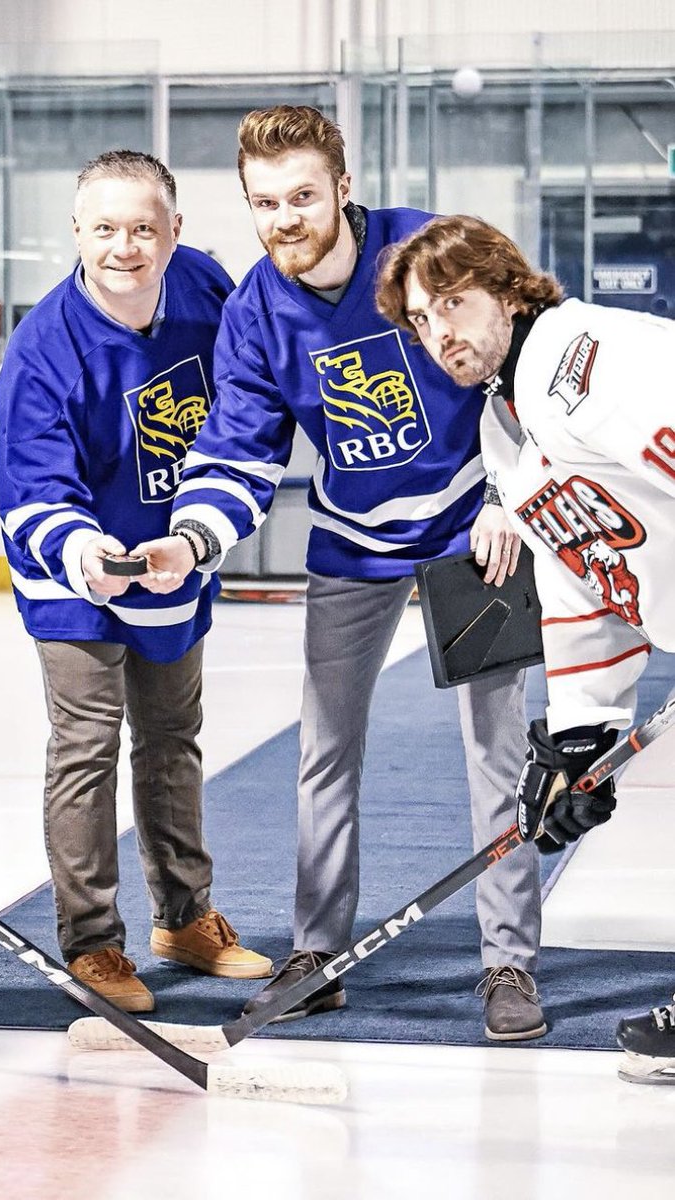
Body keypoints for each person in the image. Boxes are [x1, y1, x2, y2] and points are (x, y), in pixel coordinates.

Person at [134, 106, 544, 1041]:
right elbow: (237, 450)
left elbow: (519, 364)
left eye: (304, 197)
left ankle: (509, 960)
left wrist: (510, 495)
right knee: (324, 752)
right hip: (353, 542)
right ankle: (316, 957)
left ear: (343, 188)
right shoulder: (254, 312)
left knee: (498, 752)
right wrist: (191, 540)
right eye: (265, 202)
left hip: (472, 533)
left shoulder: (428, 252)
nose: (286, 218)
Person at [375, 212, 675, 1083]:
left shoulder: (590, 360)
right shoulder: (506, 423)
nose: (439, 334)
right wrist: (581, 735)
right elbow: (586, 578)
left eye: (453, 303)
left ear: (508, 291)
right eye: (421, 321)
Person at [0, 150, 272, 1013]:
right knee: (87, 744)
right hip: (72, 575)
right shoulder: (43, 349)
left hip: (176, 559)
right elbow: (33, 490)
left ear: (175, 230)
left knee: (172, 737)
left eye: (144, 228)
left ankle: (184, 919)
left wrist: (192, 537)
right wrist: (85, 552)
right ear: (77, 233)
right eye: (106, 228)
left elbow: (247, 403)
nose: (126, 246)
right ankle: (93, 942)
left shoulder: (206, 290)